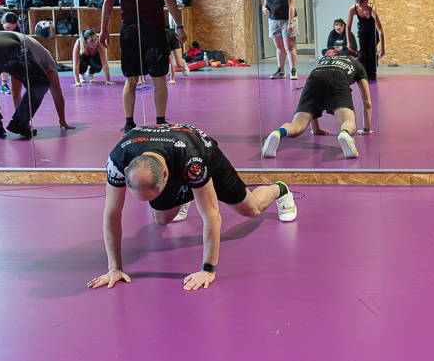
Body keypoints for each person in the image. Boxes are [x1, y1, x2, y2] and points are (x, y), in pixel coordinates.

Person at [89, 123, 297, 291]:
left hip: (206, 158)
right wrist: (114, 268)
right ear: (126, 170)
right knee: (162, 219)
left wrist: (208, 270)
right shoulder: (118, 159)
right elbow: (112, 212)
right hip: (172, 163)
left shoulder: (193, 160)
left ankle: (280, 189)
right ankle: (189, 191)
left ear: (165, 176)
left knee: (251, 209)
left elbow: (212, 215)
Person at [101, 0, 186, 132]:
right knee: (159, 78)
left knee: (131, 78)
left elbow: (108, 0)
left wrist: (103, 29)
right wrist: (179, 26)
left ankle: (129, 123)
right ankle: (160, 122)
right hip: (152, 28)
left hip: (129, 29)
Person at [260, 52, 373, 159]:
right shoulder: (358, 65)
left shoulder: (324, 59)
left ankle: (278, 132)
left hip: (314, 77)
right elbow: (367, 102)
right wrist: (366, 129)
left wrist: (316, 129)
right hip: (338, 78)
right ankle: (345, 133)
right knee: (348, 122)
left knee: (297, 125)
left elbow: (314, 101)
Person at [0, 29, 75, 139]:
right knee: (42, 82)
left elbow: (15, 93)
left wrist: (22, 118)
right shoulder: (49, 59)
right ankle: (19, 123)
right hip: (8, 45)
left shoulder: (36, 50)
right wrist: (62, 121)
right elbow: (57, 93)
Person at [262, 0, 297, 79]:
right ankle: (280, 71)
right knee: (279, 46)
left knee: (289, 46)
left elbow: (291, 7)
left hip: (287, 20)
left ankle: (293, 71)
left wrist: (290, 23)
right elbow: (265, 4)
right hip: (273, 20)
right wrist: (264, 9)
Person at [347, 0, 385, 82]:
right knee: (363, 52)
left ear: (367, 0)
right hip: (363, 30)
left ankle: (372, 73)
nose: (360, 6)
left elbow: (380, 30)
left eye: (362, 3)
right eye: (358, 3)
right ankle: (363, 73)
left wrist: (382, 47)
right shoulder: (353, 9)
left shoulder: (372, 9)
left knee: (371, 50)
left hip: (373, 31)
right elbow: (348, 26)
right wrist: (348, 42)